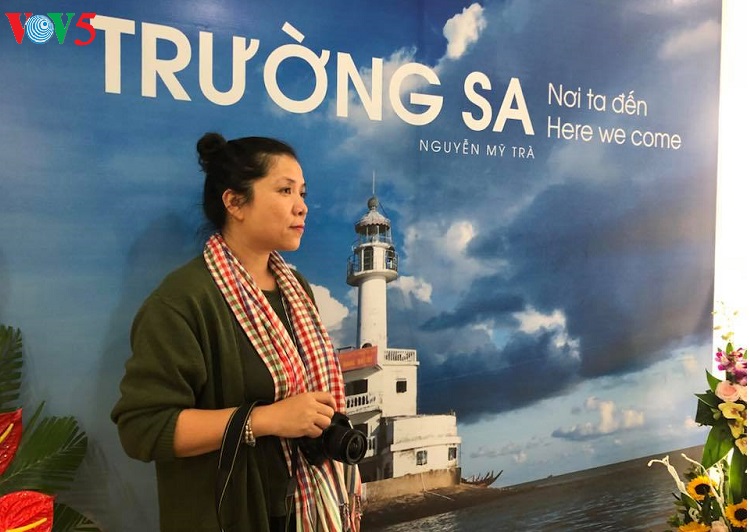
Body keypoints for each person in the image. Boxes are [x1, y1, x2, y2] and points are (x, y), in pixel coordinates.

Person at [111, 133, 361, 532]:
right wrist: (265, 419)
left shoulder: (296, 289)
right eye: (284, 190)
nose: (301, 206)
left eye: (302, 192)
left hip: (305, 509)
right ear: (234, 203)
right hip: (232, 516)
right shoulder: (184, 300)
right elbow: (143, 428)